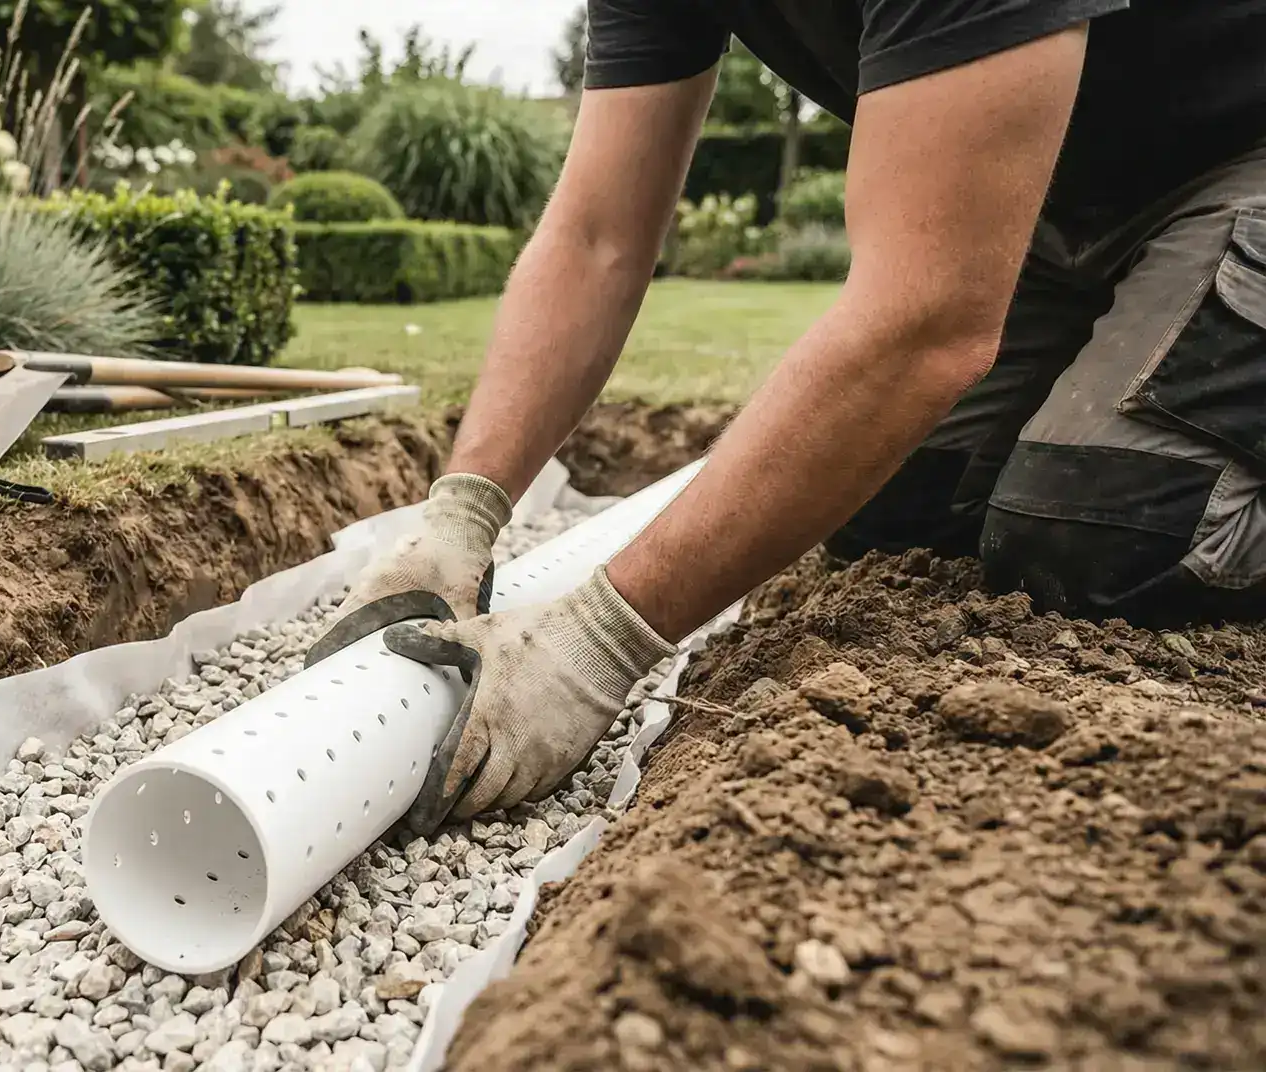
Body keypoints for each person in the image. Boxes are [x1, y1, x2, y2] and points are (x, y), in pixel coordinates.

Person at [317, 1, 1266, 828]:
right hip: (1058, 201)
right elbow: (598, 237)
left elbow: (928, 320)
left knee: (1103, 529)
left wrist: (592, 647)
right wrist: (462, 514)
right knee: (887, 505)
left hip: (1242, 158)